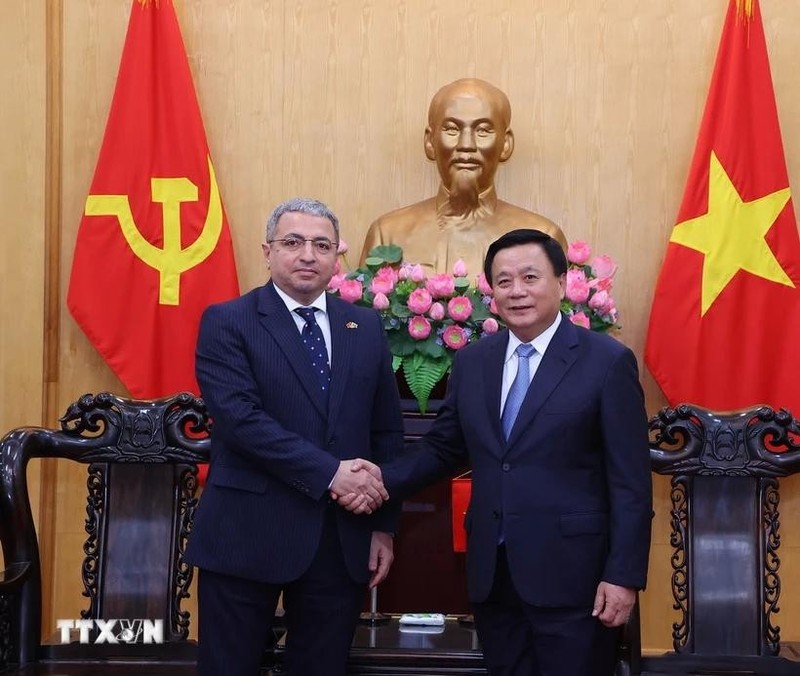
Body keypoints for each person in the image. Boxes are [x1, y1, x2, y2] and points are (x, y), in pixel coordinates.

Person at [343, 228, 652, 676]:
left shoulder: (606, 362)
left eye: (530, 277)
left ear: (562, 283)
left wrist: (622, 575)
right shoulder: (474, 361)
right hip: (494, 574)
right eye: (504, 281)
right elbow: (444, 448)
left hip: (575, 579)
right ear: (491, 292)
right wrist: (375, 481)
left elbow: (631, 483)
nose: (517, 291)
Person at [186, 197, 405, 676]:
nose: (308, 254)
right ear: (267, 251)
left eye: (321, 244)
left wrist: (383, 524)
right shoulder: (228, 321)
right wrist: (331, 474)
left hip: (339, 539)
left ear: (336, 258)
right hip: (246, 531)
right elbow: (242, 421)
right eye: (293, 242)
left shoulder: (363, 325)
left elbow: (385, 430)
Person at [359, 78, 568, 276]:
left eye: (483, 130)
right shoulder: (387, 234)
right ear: (430, 142)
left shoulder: (543, 236)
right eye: (451, 129)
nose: (466, 144)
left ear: (506, 144)